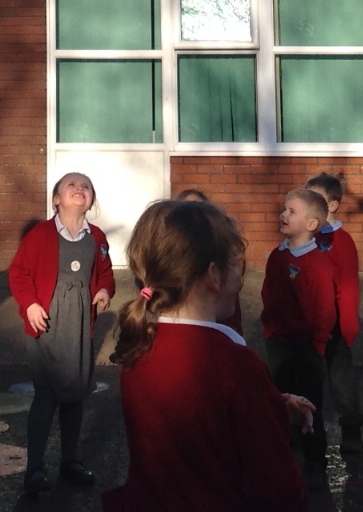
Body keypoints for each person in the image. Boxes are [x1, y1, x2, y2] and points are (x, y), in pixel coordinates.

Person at [104, 199, 310, 512]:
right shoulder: (235, 364)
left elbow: (193, 428)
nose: (240, 275)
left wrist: (272, 406)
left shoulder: (138, 347)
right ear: (214, 275)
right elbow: (278, 488)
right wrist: (268, 410)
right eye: (235, 263)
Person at [7, 171, 116, 494]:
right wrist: (30, 304)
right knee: (47, 393)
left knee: (75, 393)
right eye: (71, 184)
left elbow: (105, 272)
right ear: (57, 199)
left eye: (86, 186)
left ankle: (70, 461)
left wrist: (105, 290)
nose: (79, 188)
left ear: (91, 200)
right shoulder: (40, 235)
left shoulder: (97, 237)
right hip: (47, 323)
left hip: (79, 324)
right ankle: (34, 469)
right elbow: (18, 273)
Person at [261, 186, 336, 488]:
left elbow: (325, 307)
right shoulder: (276, 256)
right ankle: (284, 452)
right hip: (279, 341)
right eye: (284, 209)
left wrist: (319, 342)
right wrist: (270, 330)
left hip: (307, 346)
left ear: (311, 224)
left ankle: (316, 459)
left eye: (292, 211)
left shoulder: (318, 262)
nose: (283, 214)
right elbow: (268, 294)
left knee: (309, 402)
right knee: (280, 398)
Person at [307, 171, 363, 453]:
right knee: (307, 381)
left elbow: (349, 286)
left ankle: (351, 430)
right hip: (306, 326)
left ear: (332, 205)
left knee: (341, 382)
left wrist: (348, 326)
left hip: (335, 328)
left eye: (315, 199)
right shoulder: (303, 236)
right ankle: (305, 431)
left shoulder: (342, 242)